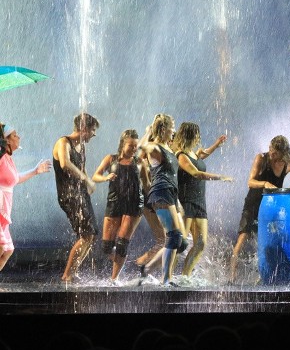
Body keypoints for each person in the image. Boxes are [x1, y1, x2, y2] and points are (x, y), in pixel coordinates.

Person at [230, 135, 290, 283]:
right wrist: (264, 183)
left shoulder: (288, 164)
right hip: (253, 204)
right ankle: (231, 277)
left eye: (275, 152)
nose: (271, 154)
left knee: (267, 242)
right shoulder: (261, 158)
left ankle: (262, 277)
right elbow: (250, 182)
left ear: (283, 153)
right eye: (270, 149)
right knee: (242, 239)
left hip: (271, 208)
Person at [173, 122, 233, 277]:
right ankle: (168, 276)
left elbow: (203, 154)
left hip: (199, 201)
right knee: (179, 244)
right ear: (190, 136)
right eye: (196, 135)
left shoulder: (193, 153)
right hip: (186, 201)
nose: (198, 138)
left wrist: (216, 145)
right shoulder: (181, 155)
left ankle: (185, 276)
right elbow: (196, 173)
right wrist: (220, 177)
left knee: (200, 243)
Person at [139, 114, 188, 285]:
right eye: (172, 127)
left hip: (170, 195)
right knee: (173, 236)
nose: (174, 131)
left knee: (181, 242)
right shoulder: (155, 147)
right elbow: (141, 146)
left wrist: (178, 202)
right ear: (163, 129)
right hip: (160, 193)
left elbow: (172, 175)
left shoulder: (168, 148)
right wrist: (149, 130)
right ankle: (166, 280)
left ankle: (146, 269)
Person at [91, 129, 145, 283]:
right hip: (114, 203)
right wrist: (106, 177)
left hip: (134, 204)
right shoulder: (111, 159)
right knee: (106, 247)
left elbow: (147, 184)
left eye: (136, 146)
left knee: (121, 244)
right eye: (131, 146)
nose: (134, 149)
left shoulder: (140, 162)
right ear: (122, 144)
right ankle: (122, 261)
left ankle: (114, 279)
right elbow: (95, 175)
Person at [52, 113, 100, 282]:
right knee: (86, 235)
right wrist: (86, 179)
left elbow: (81, 167)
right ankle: (67, 275)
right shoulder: (63, 142)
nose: (94, 134)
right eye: (92, 130)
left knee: (92, 235)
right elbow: (65, 164)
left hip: (80, 194)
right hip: (69, 195)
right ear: (83, 128)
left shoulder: (81, 147)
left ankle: (73, 272)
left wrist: (87, 184)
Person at [0, 124, 52, 271]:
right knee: (2, 246)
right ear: (7, 141)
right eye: (15, 135)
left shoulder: (8, 158)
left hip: (4, 208)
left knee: (8, 250)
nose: (19, 137)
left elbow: (15, 179)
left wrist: (35, 171)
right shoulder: (1, 157)